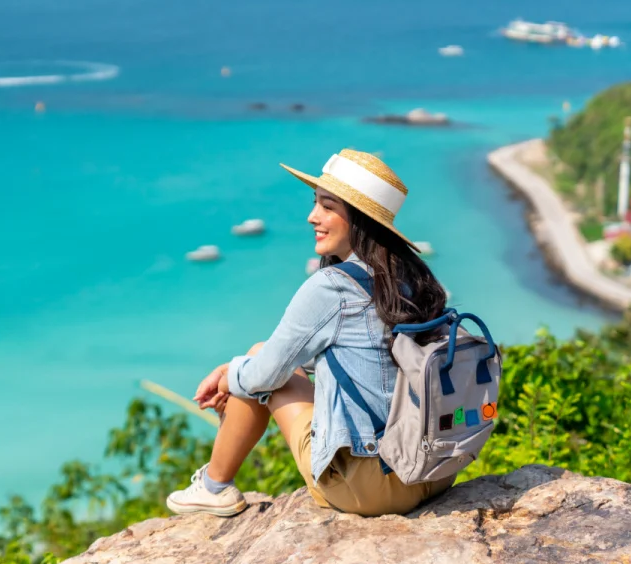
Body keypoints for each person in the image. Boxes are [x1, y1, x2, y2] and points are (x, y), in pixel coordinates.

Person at [166, 149, 455, 517]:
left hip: (371, 487)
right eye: (315, 203)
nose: (312, 217)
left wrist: (230, 374)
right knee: (259, 361)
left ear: (360, 219)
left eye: (327, 206)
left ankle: (214, 486)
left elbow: (265, 375)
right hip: (435, 471)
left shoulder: (331, 287)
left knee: (256, 359)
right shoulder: (411, 276)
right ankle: (213, 483)